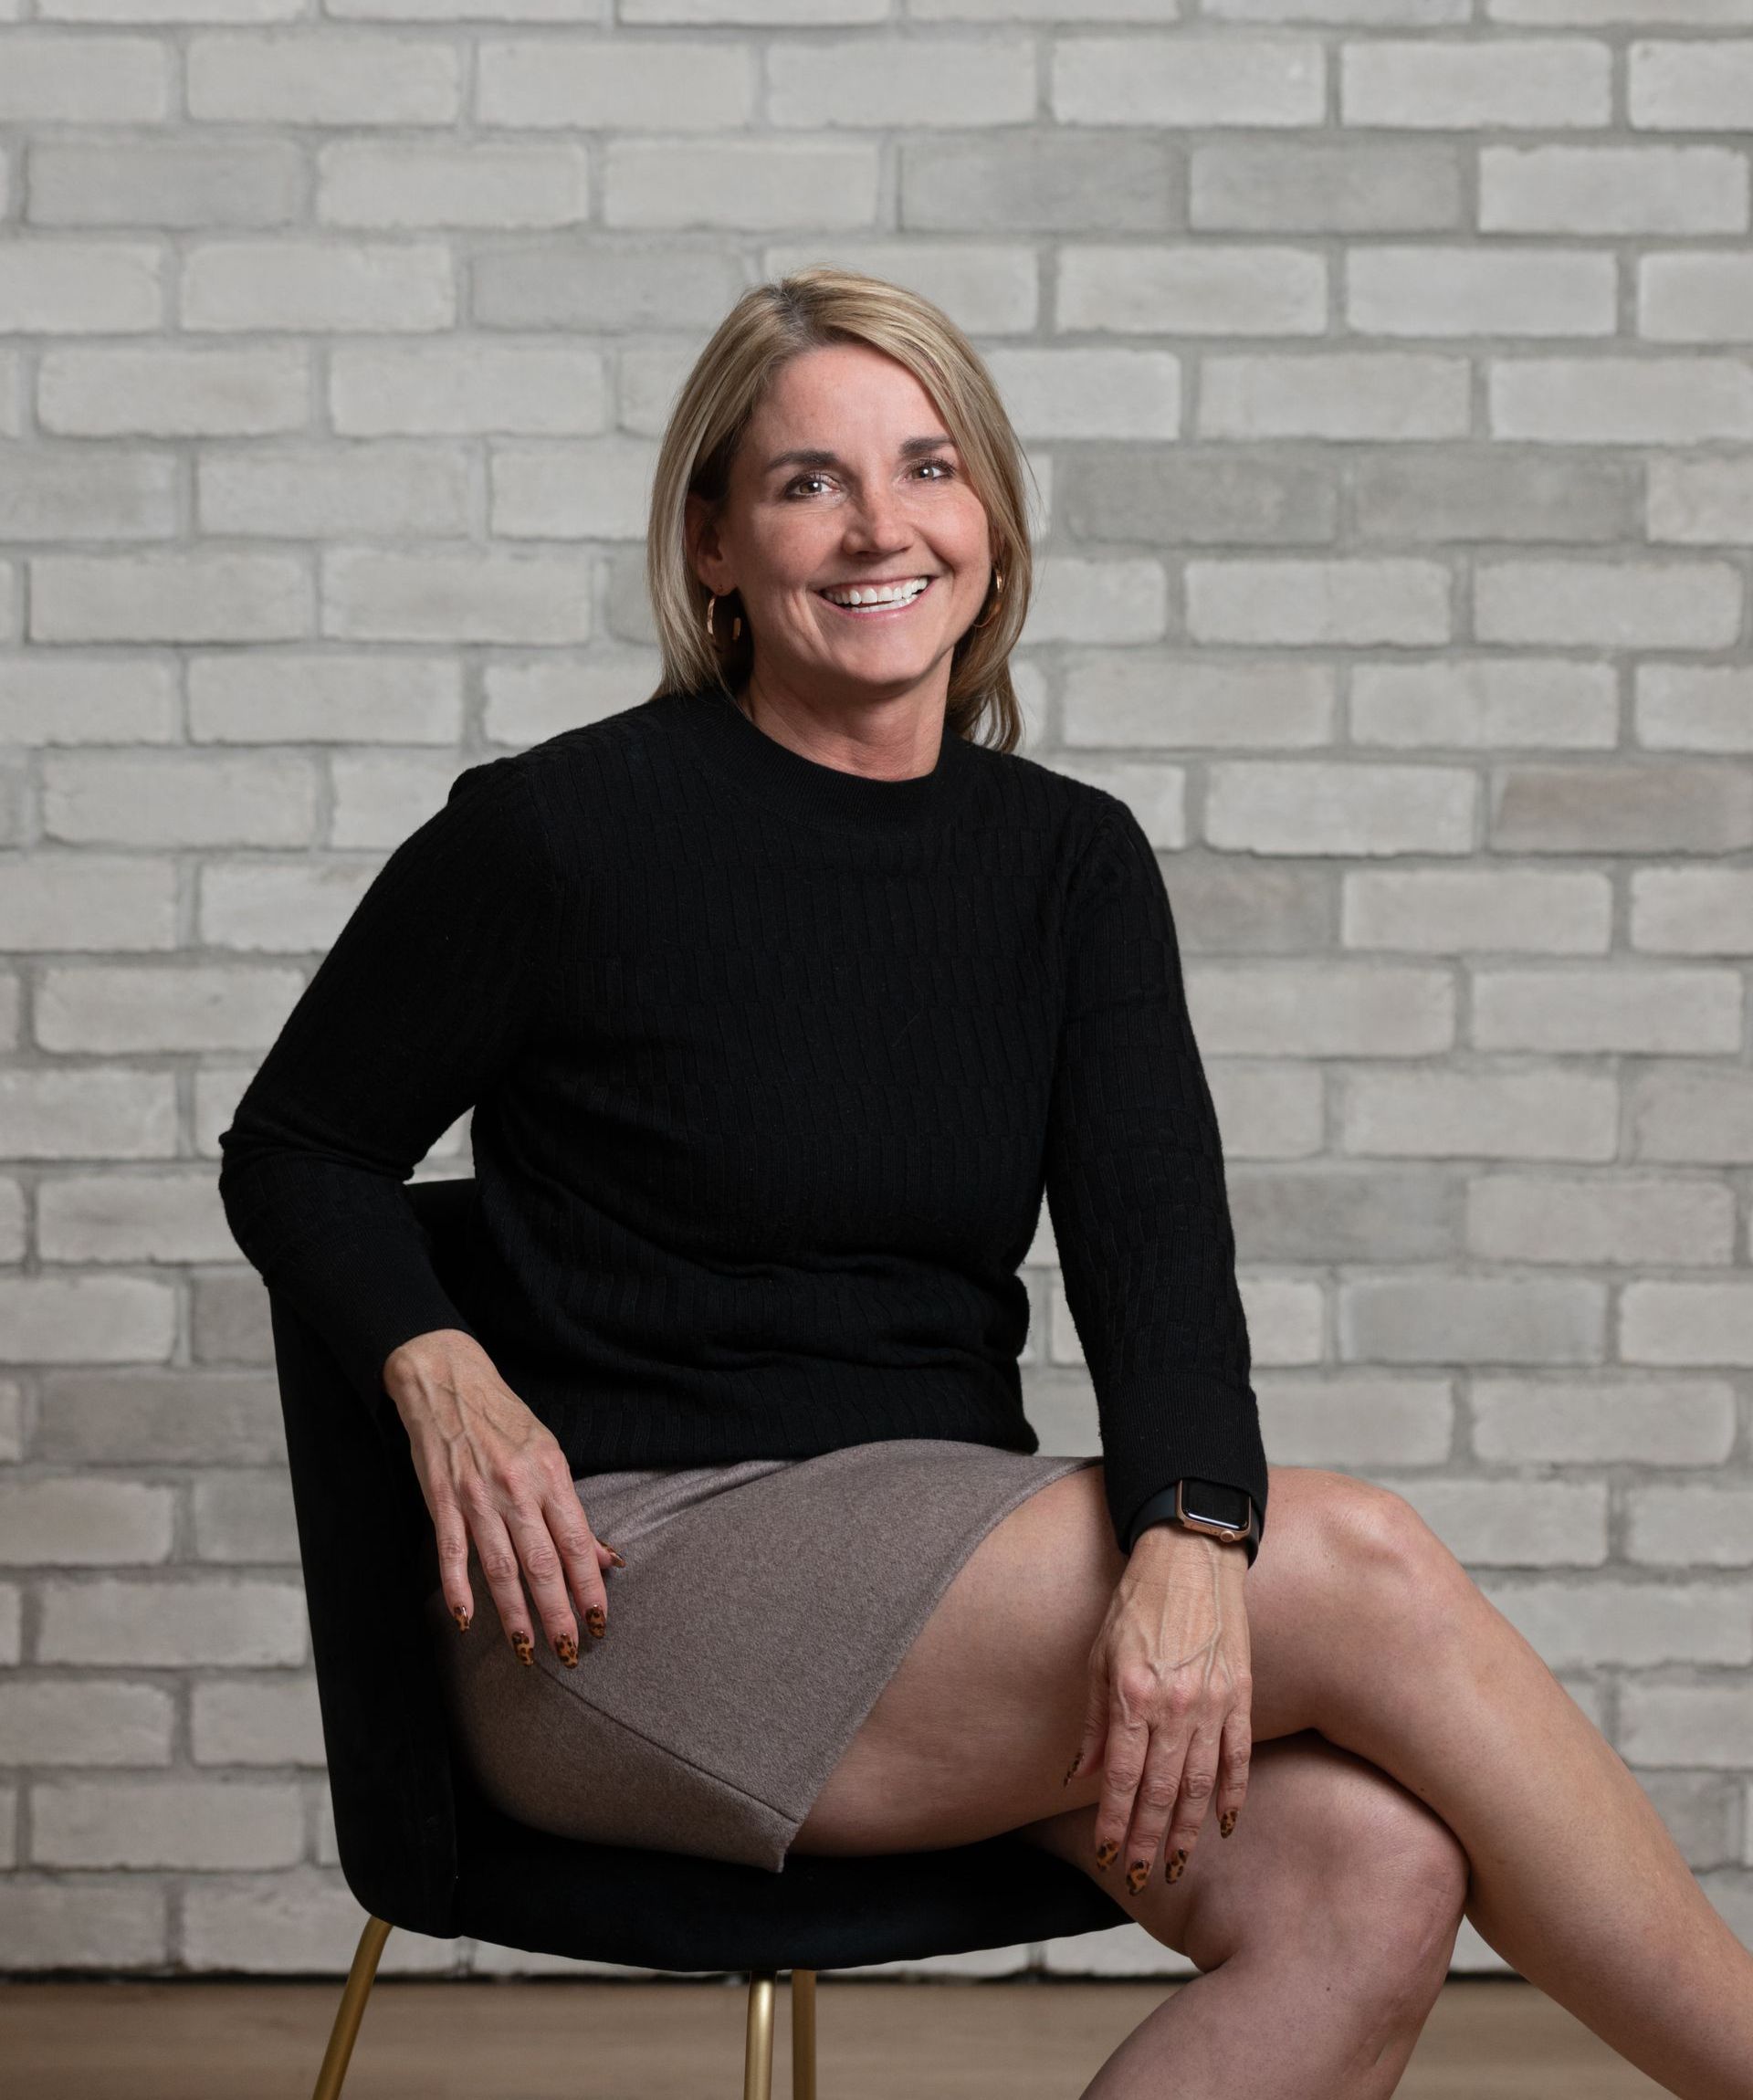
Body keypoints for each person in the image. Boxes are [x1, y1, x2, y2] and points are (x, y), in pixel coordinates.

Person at [218, 268, 1753, 2100]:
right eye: (808, 483)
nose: (881, 525)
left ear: (993, 522)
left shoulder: (1069, 866)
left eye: (929, 465)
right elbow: (298, 1143)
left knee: (1374, 1871)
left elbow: (1158, 1267)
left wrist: (1189, 1541)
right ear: (713, 542)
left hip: (947, 1564)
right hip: (629, 1598)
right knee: (1366, 1568)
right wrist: (437, 1362)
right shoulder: (556, 835)